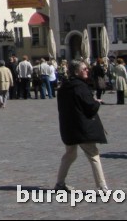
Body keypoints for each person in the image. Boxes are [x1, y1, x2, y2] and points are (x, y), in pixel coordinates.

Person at [54, 60, 109, 191]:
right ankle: (102, 187)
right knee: (93, 155)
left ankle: (60, 183)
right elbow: (89, 107)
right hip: (82, 127)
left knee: (70, 155)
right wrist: (96, 102)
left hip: (69, 127)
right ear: (76, 71)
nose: (87, 70)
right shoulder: (80, 87)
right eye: (84, 69)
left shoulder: (64, 87)